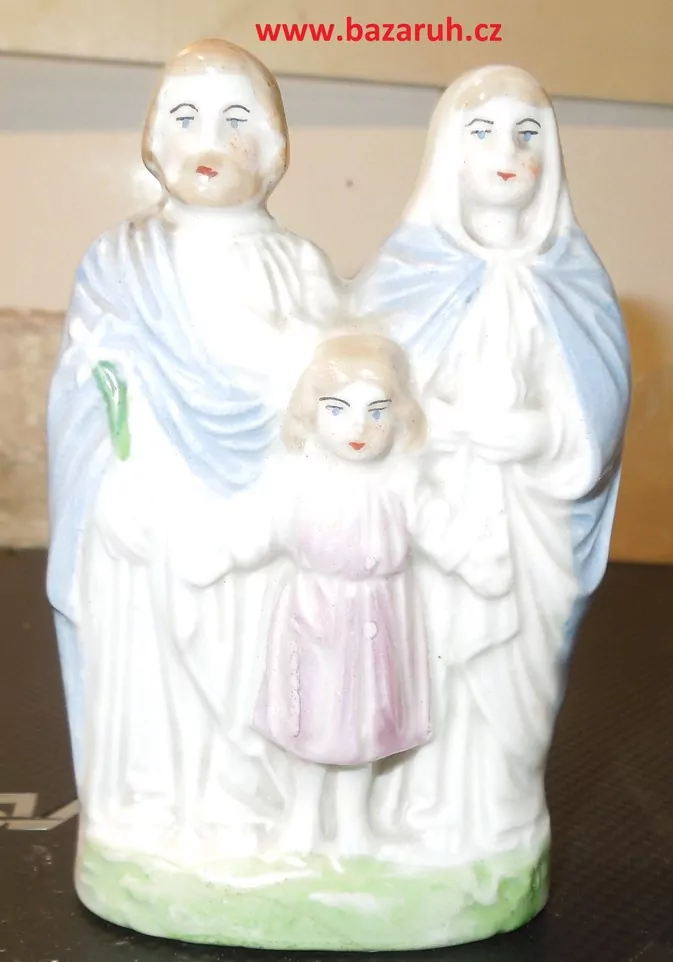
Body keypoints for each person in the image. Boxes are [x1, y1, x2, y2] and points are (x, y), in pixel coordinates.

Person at [47, 38, 341, 858]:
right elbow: (89, 388)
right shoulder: (120, 261)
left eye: (234, 119)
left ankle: (251, 807)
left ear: (274, 146)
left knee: (253, 669)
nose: (208, 139)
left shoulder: (299, 266)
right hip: (151, 513)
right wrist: (118, 480)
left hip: (265, 521)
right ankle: (151, 807)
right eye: (185, 117)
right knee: (155, 675)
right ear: (153, 140)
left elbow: (334, 389)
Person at [352, 65, 631, 862]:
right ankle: (411, 810)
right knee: (426, 663)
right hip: (436, 515)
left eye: (526, 134)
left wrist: (542, 434)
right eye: (482, 133)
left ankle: (498, 823)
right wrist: (436, 427)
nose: (507, 153)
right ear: (448, 150)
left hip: (529, 523)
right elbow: (362, 388)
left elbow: (598, 406)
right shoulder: (405, 272)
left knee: (516, 675)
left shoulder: (574, 278)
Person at [176, 331, 508, 855]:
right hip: (314, 615)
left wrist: (475, 560)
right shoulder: (301, 482)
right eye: (338, 409)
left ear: (398, 415)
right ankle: (302, 819)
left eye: (376, 412)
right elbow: (261, 528)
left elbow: (436, 526)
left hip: (379, 618)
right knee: (311, 718)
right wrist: (217, 555)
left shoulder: (399, 483)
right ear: (311, 411)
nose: (359, 427)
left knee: (364, 724)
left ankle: (354, 826)